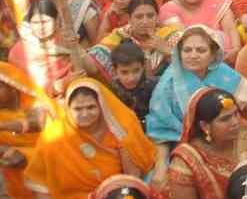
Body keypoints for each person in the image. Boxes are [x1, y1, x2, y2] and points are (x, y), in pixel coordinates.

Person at [146, 25, 247, 188]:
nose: (193, 56)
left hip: (229, 140)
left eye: (200, 50)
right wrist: (160, 169)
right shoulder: (168, 83)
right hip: (186, 147)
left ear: (213, 54)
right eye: (187, 50)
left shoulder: (224, 73)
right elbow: (161, 135)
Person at [24, 78, 157, 198]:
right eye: (77, 109)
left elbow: (131, 181)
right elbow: (40, 184)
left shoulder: (118, 133)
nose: (84, 114)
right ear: (68, 109)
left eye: (91, 107)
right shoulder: (54, 136)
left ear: (102, 107)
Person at [167, 87, 247, 199]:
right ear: (205, 126)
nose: (235, 122)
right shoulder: (187, 159)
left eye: (236, 114)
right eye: (225, 119)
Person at [0, 61, 52, 198]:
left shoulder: (34, 102)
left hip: (45, 173)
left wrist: (1, 126)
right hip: (1, 179)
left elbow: (36, 123)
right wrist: (5, 151)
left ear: (12, 86)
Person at [159, 0, 240, 59]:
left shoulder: (215, 0)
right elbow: (184, 37)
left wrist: (236, 49)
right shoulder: (168, 9)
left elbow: (230, 28)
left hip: (228, 56)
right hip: (191, 59)